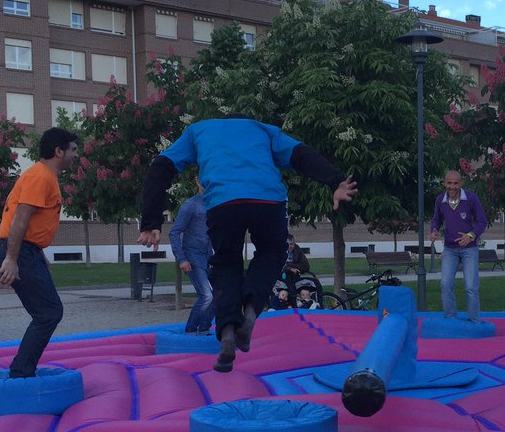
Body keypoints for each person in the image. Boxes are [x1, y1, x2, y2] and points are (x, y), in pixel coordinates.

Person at [139, 113, 356, 373]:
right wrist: (335, 181)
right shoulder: (263, 130)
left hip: (222, 202)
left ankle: (228, 331)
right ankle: (251, 309)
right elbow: (301, 154)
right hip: (267, 201)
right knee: (272, 252)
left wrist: (151, 221)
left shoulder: (199, 131)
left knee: (225, 263)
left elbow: (161, 166)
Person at [0, 127, 79, 378]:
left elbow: (31, 223)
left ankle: (23, 369)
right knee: (49, 312)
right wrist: (11, 258)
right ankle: (21, 372)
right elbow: (20, 218)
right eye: (73, 150)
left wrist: (38, 255)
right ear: (59, 151)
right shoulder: (41, 176)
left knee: (47, 312)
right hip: (18, 250)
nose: (76, 155)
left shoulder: (45, 176)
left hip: (27, 250)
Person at [429, 170, 488, 323]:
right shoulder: (440, 200)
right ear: (444, 183)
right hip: (450, 249)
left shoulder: (471, 198)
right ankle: (450, 319)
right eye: (449, 183)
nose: (452, 186)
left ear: (461, 183)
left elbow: (482, 222)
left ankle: (474, 321)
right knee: (445, 284)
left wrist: (470, 236)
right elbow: (436, 220)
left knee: (471, 287)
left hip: (470, 249)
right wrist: (434, 230)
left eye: (455, 183)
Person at [168, 189, 215, 335]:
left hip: (209, 256)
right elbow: (174, 232)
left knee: (218, 295)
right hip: (193, 256)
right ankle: (191, 329)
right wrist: (182, 259)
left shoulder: (214, 203)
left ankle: (204, 328)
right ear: (198, 182)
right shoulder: (190, 205)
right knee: (207, 295)